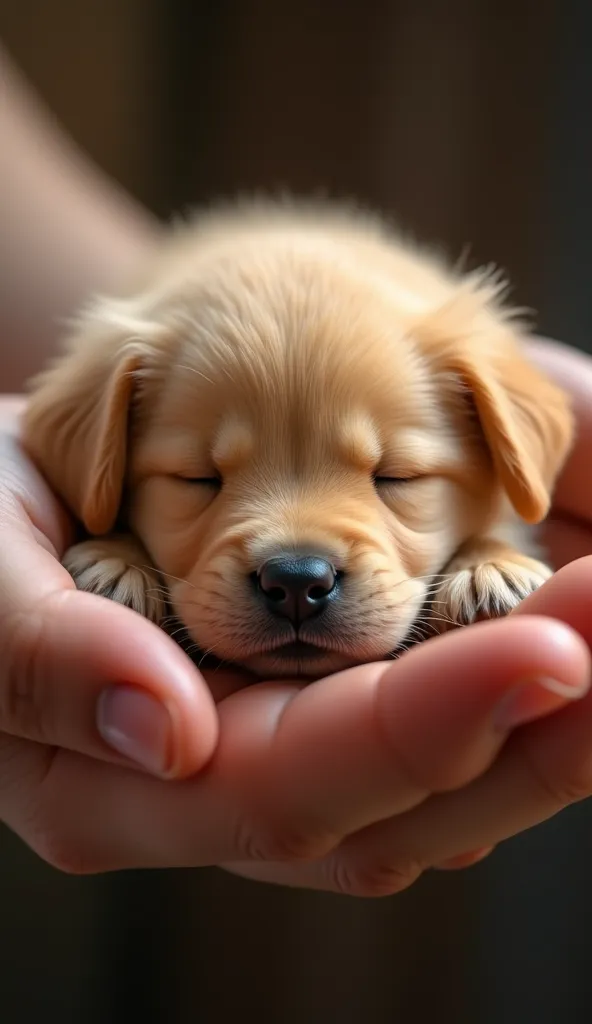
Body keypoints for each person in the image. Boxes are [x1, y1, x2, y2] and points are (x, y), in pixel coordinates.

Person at [2, 44, 592, 896]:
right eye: (201, 483)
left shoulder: (457, 365)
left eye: (393, 480)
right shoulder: (112, 396)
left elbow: (517, 507)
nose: (298, 569)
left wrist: (487, 556)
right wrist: (108, 549)